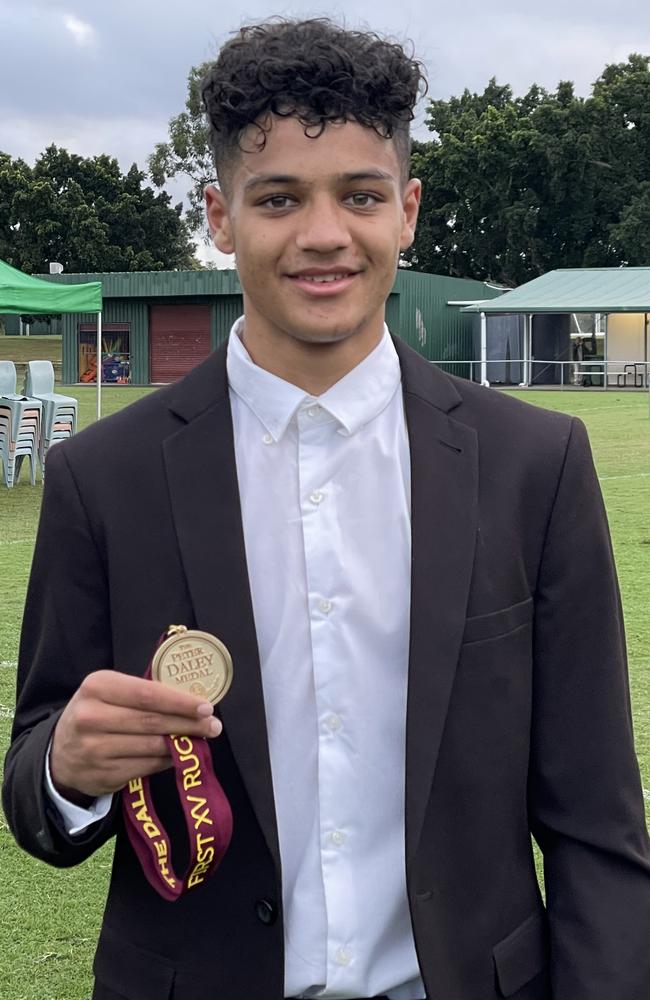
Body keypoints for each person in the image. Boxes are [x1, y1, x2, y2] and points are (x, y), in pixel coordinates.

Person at [3, 17, 649, 1000]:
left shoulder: (534, 464)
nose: (322, 234)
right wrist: (67, 766)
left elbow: (596, 826)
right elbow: (37, 789)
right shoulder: (104, 476)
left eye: (358, 195)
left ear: (407, 210)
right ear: (219, 218)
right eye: (278, 198)